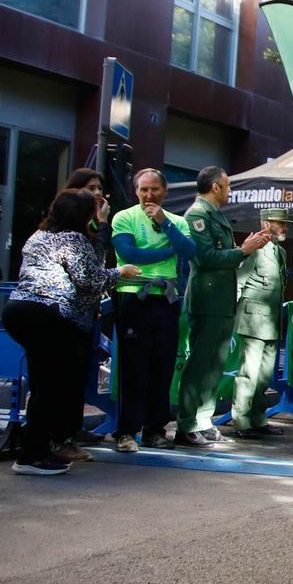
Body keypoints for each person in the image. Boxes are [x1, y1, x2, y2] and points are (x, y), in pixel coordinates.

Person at [3, 189, 138, 474]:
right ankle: (31, 456)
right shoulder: (73, 239)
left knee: (42, 386)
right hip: (52, 315)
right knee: (52, 388)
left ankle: (38, 448)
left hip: (19, 310)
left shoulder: (38, 236)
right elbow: (90, 279)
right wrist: (120, 272)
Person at [177, 166, 269, 448]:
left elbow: (223, 255)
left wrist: (243, 250)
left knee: (215, 365)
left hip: (222, 300)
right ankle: (186, 425)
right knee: (199, 364)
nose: (229, 191)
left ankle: (203, 420)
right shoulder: (197, 215)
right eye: (227, 186)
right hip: (206, 300)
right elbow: (204, 257)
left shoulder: (214, 215)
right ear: (215, 187)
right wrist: (243, 250)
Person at [109, 169, 196, 453]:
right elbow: (130, 253)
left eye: (155, 189)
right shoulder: (124, 217)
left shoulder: (177, 221)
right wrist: (167, 251)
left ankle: (155, 430)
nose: (149, 195)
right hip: (133, 296)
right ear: (136, 191)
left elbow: (189, 249)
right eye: (144, 190)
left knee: (163, 364)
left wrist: (165, 224)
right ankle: (126, 431)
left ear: (165, 191)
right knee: (133, 365)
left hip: (166, 299)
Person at [230, 208, 291, 439]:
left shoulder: (279, 252)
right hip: (253, 320)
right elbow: (239, 281)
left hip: (271, 321)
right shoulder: (255, 248)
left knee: (264, 375)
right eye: (280, 223)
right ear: (266, 224)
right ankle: (242, 422)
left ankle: (258, 419)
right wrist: (231, 312)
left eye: (285, 224)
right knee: (249, 373)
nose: (285, 227)